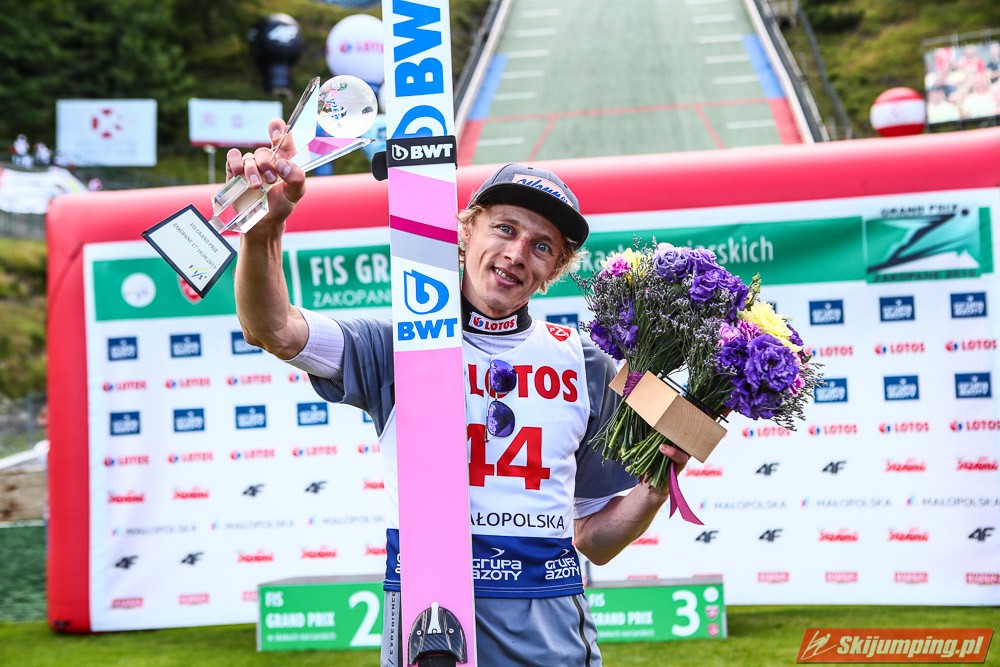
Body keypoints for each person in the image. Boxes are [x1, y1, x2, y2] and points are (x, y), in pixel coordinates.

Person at [229, 121, 692, 667]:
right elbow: (274, 329)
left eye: (542, 246)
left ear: (555, 269)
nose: (517, 252)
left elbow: (594, 539)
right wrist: (263, 229)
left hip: (550, 634)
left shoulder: (587, 364)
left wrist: (654, 491)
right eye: (504, 229)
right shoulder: (402, 344)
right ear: (466, 231)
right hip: (429, 626)